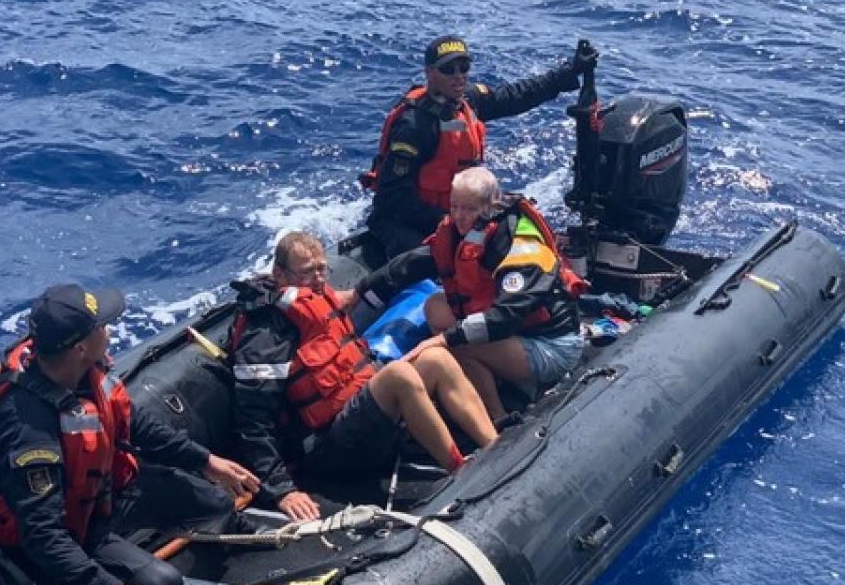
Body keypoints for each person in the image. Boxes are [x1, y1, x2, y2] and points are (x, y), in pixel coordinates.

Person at [0, 283, 261, 585]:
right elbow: (43, 534)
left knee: (217, 503)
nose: (110, 330)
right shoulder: (28, 431)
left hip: (99, 496)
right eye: (102, 326)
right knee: (163, 583)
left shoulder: (83, 373)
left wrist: (206, 461)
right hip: (66, 530)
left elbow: (135, 423)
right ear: (79, 347)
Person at [229, 231, 498, 522]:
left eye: (322, 269)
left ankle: (494, 445)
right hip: (325, 447)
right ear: (280, 274)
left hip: (358, 418)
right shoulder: (266, 335)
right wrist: (282, 490)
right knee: (399, 375)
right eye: (308, 273)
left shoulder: (318, 301)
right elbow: (252, 420)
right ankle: (461, 471)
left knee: (436, 358)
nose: (319, 279)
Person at [356, 167, 585, 420]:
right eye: (454, 207)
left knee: (460, 346)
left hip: (551, 344)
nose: (459, 216)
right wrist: (359, 292)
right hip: (513, 334)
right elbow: (414, 263)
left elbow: (508, 314)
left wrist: (445, 339)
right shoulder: (464, 231)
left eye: (468, 209)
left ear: (491, 205)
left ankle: (497, 418)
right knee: (435, 306)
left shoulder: (519, 244)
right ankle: (490, 375)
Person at [361, 35, 599, 260]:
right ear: (430, 74)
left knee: (521, 226)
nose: (458, 76)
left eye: (463, 68)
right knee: (461, 260)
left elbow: (518, 95)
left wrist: (571, 70)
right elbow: (391, 200)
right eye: (448, 69)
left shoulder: (468, 103)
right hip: (408, 224)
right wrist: (454, 222)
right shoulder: (413, 127)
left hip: (458, 214)